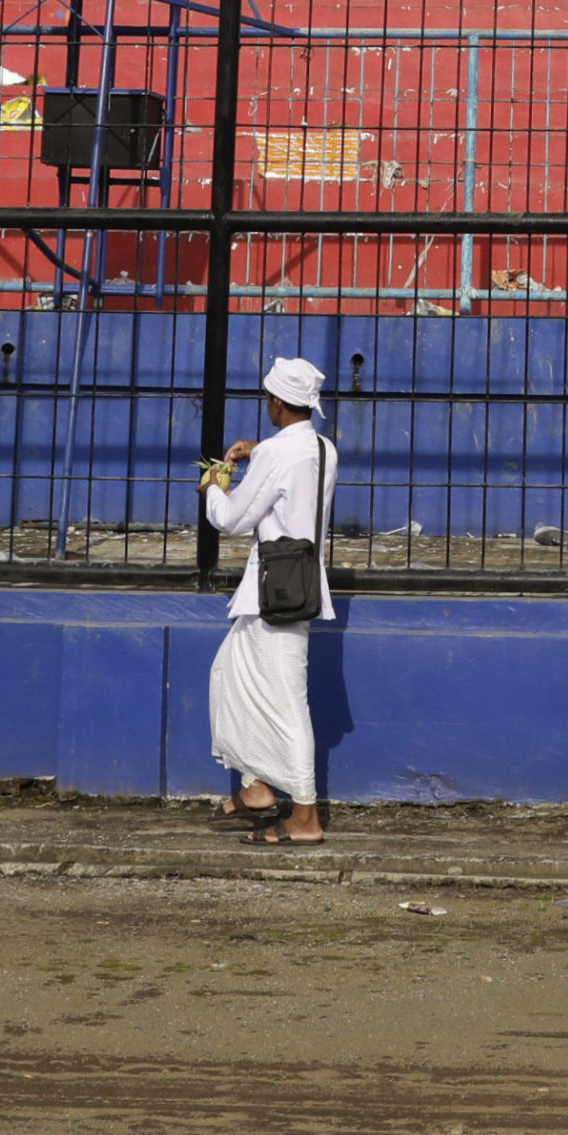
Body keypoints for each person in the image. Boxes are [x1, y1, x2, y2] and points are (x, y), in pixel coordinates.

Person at [202, 357, 335, 846]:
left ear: (277, 402)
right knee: (228, 677)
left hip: (275, 593)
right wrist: (259, 451)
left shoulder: (278, 455)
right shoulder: (322, 448)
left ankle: (305, 818)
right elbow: (292, 462)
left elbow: (232, 519)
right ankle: (256, 786)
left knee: (287, 706)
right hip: (293, 587)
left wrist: (216, 487)